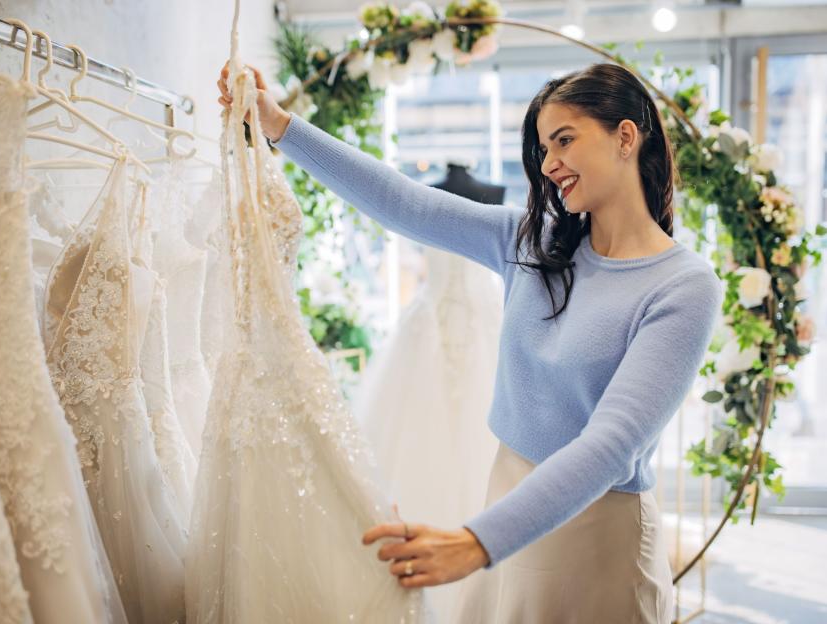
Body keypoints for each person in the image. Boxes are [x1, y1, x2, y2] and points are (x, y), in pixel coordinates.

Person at [217, 60, 722, 623]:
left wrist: (476, 541)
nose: (550, 165)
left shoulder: (684, 287)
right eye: (543, 149)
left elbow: (611, 445)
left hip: (601, 538)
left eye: (564, 140)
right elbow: (404, 203)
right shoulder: (530, 242)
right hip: (509, 500)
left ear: (625, 136)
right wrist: (280, 125)